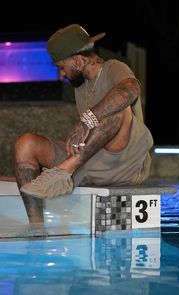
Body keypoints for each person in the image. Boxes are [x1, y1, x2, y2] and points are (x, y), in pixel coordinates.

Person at [14, 23, 154, 224]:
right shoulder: (80, 86)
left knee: (117, 107)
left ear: (78, 60)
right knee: (25, 143)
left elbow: (131, 89)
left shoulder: (114, 68)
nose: (62, 74)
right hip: (91, 164)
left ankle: (64, 171)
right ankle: (36, 228)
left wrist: (87, 121)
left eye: (62, 67)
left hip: (124, 166)